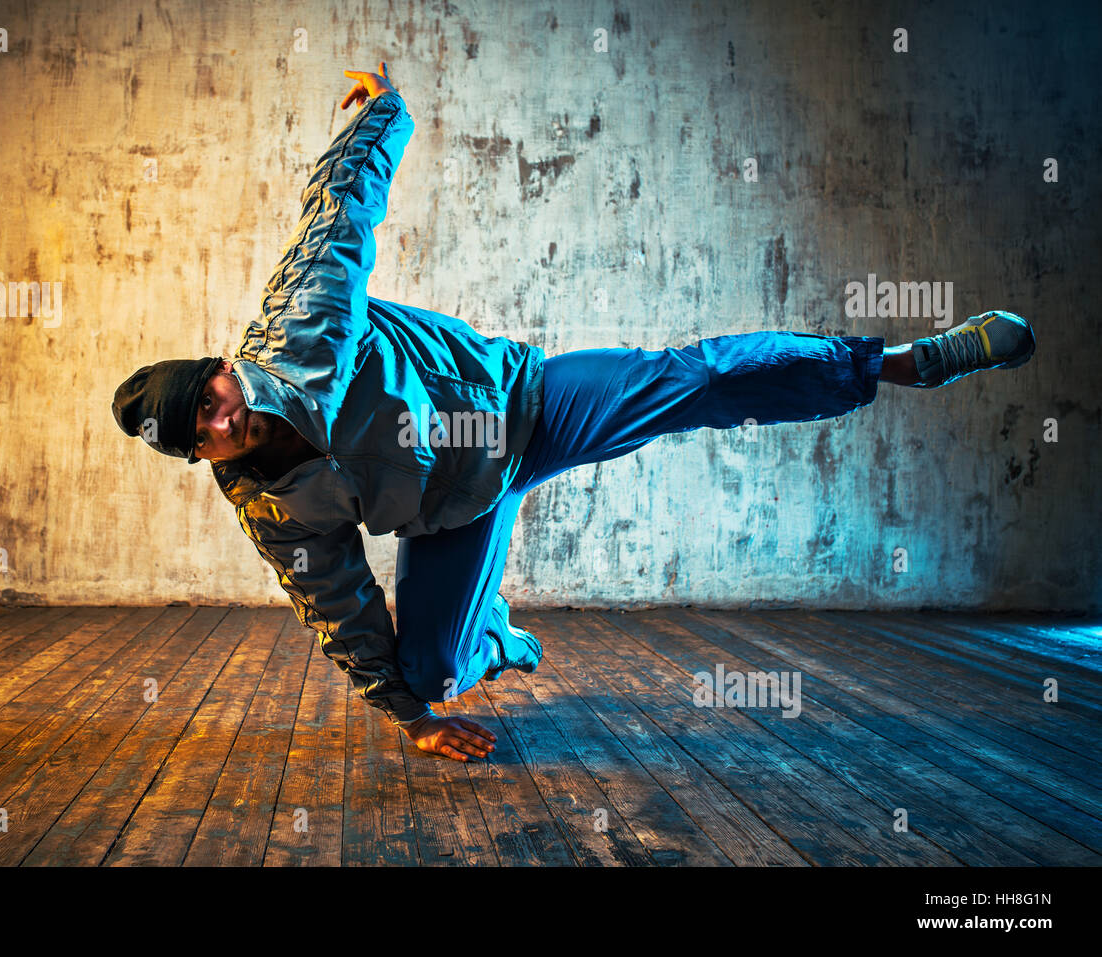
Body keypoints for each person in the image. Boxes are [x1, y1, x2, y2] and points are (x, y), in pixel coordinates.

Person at [111, 63, 1036, 762]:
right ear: (195, 456)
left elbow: (341, 210)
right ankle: (496, 638)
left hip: (526, 405)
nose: (219, 425)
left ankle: (908, 363)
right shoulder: (270, 508)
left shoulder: (298, 319)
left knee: (696, 381)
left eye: (210, 401)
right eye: (197, 436)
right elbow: (338, 605)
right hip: (455, 513)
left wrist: (382, 111)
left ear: (224, 368)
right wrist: (415, 719)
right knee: (424, 669)